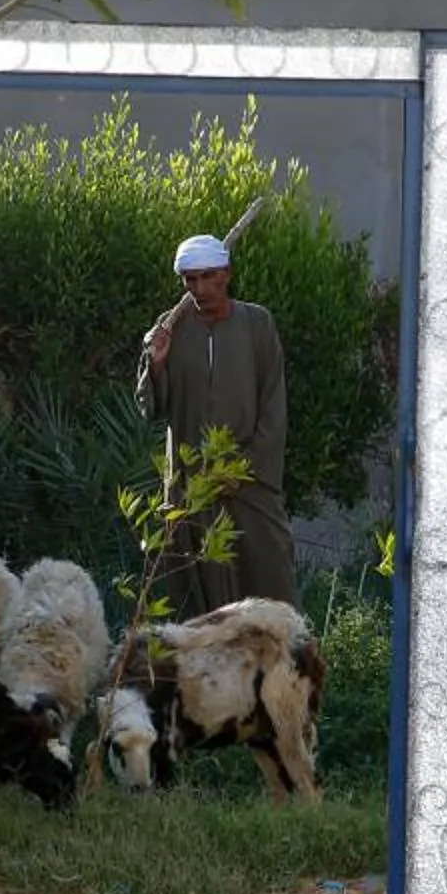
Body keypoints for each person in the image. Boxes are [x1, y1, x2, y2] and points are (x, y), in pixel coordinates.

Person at [135, 232, 300, 613]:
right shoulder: (170, 328)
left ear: (226, 274)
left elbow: (274, 405)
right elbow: (150, 405)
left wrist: (241, 470)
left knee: (269, 583)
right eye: (190, 280)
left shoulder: (257, 324)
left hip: (248, 484)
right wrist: (156, 362)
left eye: (208, 277)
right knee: (189, 596)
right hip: (191, 485)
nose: (199, 288)